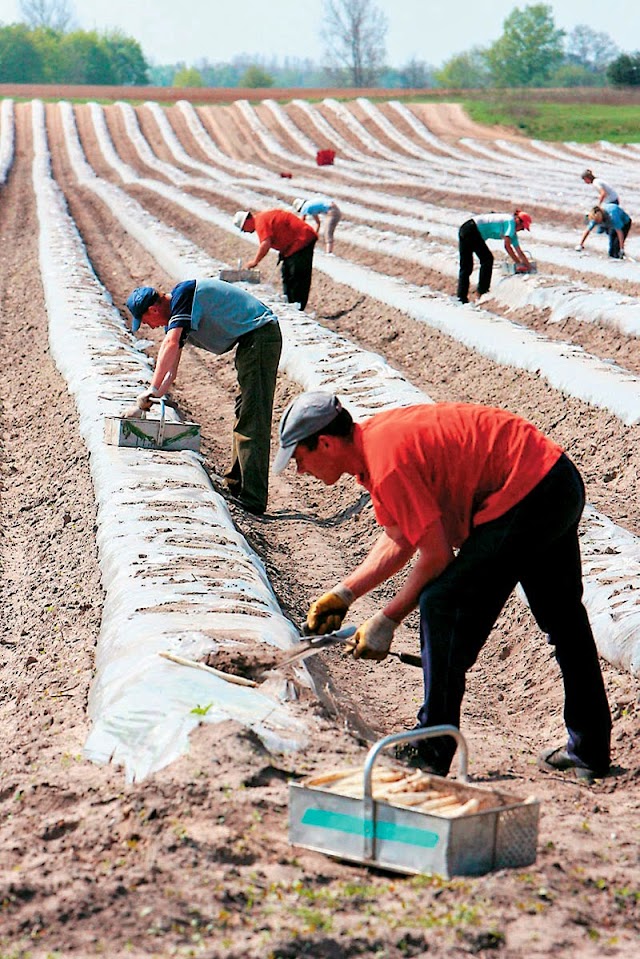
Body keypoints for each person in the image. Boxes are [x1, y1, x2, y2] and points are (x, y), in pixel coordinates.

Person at [273, 391, 612, 782]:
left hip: (528, 492)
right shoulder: (375, 447)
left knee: (441, 604)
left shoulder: (387, 464)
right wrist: (345, 593)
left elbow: (435, 558)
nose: (300, 471)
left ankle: (432, 745)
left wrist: (387, 620)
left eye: (299, 458)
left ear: (326, 443)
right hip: (553, 477)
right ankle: (590, 750)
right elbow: (400, 537)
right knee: (562, 618)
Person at [125, 278, 282, 515]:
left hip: (260, 338)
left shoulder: (184, 295)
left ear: (153, 309)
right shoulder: (180, 310)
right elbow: (172, 368)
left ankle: (253, 498)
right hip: (251, 341)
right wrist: (153, 396)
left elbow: (171, 343)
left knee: (253, 416)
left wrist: (150, 389)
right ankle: (236, 485)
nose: (151, 327)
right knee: (244, 412)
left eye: (147, 321)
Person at [233, 209, 317, 310]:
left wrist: (255, 261)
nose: (246, 232)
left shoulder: (260, 221)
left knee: (296, 275)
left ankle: (297, 306)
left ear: (247, 221)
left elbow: (265, 244)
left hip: (303, 239)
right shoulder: (262, 219)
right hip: (293, 244)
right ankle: (290, 303)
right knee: (286, 274)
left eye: (243, 229)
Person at [457, 211, 533, 304]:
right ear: (518, 220)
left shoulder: (512, 232)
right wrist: (518, 264)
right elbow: (507, 247)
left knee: (466, 266)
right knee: (487, 260)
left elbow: (519, 251)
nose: (520, 230)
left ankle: (461, 298)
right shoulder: (510, 222)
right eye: (522, 227)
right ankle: (482, 292)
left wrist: (528, 266)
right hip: (472, 229)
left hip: (467, 228)